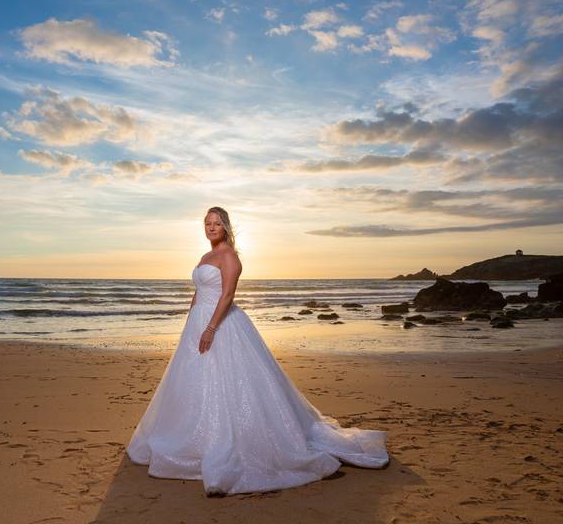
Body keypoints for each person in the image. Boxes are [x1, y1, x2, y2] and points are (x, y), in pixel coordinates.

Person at [126, 206, 389, 495]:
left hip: (222, 324)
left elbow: (227, 295)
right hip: (198, 323)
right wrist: (191, 322)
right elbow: (198, 293)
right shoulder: (204, 257)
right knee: (192, 383)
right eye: (207, 223)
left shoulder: (229, 257)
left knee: (229, 381)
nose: (211, 228)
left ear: (226, 227)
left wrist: (211, 328)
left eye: (217, 223)